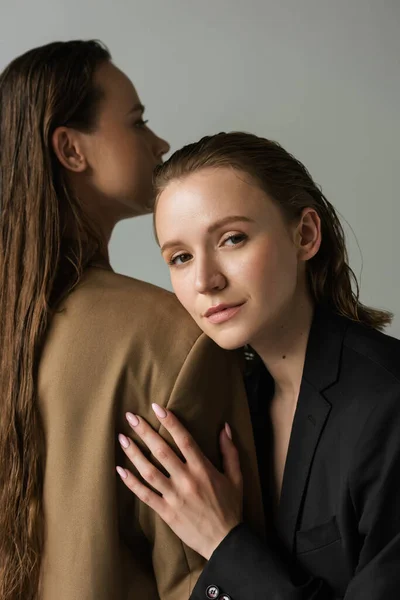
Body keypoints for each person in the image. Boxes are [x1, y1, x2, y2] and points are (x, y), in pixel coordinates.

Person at [0, 43, 254, 600]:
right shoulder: (170, 335)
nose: (160, 143)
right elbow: (204, 580)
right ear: (70, 148)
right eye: (137, 122)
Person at [117, 132, 400, 599]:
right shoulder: (235, 399)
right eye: (181, 257)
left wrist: (225, 542)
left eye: (232, 239)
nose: (205, 280)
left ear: (305, 234)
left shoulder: (387, 404)